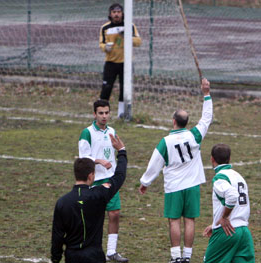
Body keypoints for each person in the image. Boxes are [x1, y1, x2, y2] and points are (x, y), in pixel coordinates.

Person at [138, 78, 213, 263]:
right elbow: (206, 119)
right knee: (190, 220)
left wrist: (145, 182)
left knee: (174, 221)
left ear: (173, 121)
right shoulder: (195, 135)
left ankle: (175, 257)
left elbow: (154, 164)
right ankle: (187, 257)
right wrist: (206, 94)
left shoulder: (166, 142)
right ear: (186, 122)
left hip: (174, 187)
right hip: (193, 185)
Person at [51, 134, 127, 263]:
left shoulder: (62, 203)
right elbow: (119, 176)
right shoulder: (99, 195)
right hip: (95, 256)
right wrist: (121, 152)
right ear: (91, 176)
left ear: (76, 174)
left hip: (72, 257)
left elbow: (57, 236)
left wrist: (55, 258)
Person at [78, 99, 128, 262]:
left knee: (114, 213)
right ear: (94, 114)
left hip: (110, 180)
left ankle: (111, 251)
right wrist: (99, 161)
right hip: (94, 181)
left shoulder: (111, 131)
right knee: (93, 218)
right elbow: (83, 158)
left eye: (107, 113)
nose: (104, 116)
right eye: (101, 113)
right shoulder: (87, 133)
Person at [203, 144, 255, 263]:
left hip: (226, 232)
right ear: (229, 158)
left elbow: (232, 196)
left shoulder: (219, 178)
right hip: (244, 232)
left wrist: (224, 217)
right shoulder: (239, 176)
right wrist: (214, 224)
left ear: (212, 159)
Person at [99, 3, 142, 118]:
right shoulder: (105, 28)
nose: (116, 14)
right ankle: (101, 113)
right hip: (110, 63)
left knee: (124, 89)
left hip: (126, 63)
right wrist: (105, 48)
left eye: (118, 12)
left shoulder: (130, 26)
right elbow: (101, 44)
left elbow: (138, 42)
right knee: (106, 88)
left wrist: (128, 36)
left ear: (122, 14)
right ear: (110, 14)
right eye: (114, 12)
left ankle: (121, 114)